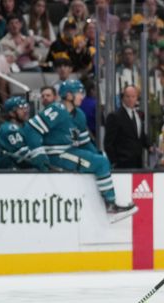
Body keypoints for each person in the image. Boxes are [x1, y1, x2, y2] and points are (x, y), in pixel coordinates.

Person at [24, 79, 138, 222]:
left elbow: (84, 142)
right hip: (56, 154)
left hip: (68, 152)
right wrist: (38, 154)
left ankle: (108, 202)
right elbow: (31, 129)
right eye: (79, 93)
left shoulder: (79, 115)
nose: (82, 96)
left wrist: (96, 154)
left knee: (101, 159)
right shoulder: (56, 110)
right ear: (69, 95)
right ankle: (110, 205)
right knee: (101, 163)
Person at [0, 96, 47, 170]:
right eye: (21, 108)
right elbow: (22, 156)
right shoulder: (9, 129)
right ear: (11, 113)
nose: (26, 111)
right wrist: (42, 165)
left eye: (26, 107)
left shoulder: (26, 127)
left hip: (20, 171)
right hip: (7, 173)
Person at [104, 85, 151, 169]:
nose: (130, 99)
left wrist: (150, 146)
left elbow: (140, 135)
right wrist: (114, 161)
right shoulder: (114, 116)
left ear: (137, 98)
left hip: (138, 163)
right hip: (122, 164)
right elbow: (108, 143)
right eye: (128, 96)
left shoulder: (139, 114)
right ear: (123, 98)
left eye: (133, 96)